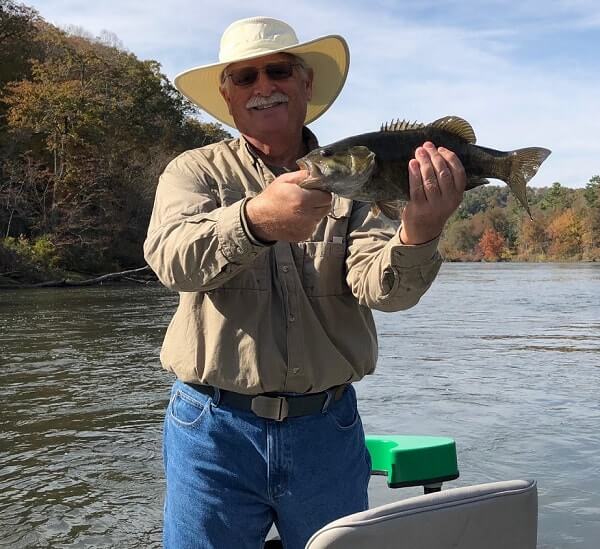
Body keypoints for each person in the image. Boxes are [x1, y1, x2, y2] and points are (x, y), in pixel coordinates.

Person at [144, 16, 466, 549]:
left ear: (305, 84)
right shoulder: (193, 172)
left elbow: (387, 293)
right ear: (227, 97)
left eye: (278, 71)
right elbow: (171, 261)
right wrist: (253, 221)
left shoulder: (360, 173)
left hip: (328, 432)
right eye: (244, 77)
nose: (263, 86)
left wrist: (421, 229)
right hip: (211, 430)